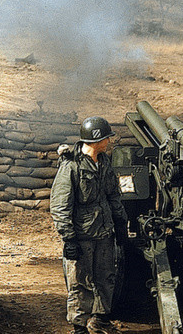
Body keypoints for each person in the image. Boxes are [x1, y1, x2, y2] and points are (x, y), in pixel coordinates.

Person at [50, 116, 128, 334]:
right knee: (80, 284)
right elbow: (60, 206)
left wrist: (120, 223)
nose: (109, 142)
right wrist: (68, 238)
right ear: (96, 140)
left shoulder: (104, 162)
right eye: (106, 138)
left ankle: (100, 320)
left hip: (104, 233)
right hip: (82, 237)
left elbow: (113, 196)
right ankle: (79, 328)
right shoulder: (71, 166)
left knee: (106, 278)